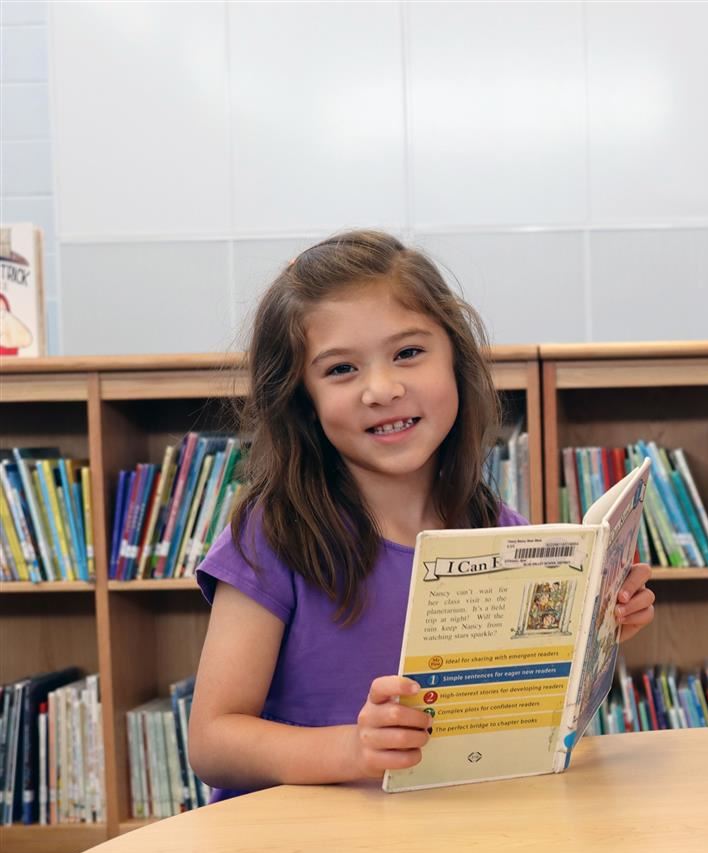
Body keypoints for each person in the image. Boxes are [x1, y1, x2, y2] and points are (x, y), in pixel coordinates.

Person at [187, 230, 656, 799]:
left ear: (455, 358)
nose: (382, 390)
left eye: (408, 353)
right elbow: (212, 742)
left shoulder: (496, 529)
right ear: (301, 399)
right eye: (340, 370)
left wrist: (597, 631)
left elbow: (513, 707)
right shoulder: (273, 536)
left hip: (443, 839)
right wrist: (354, 749)